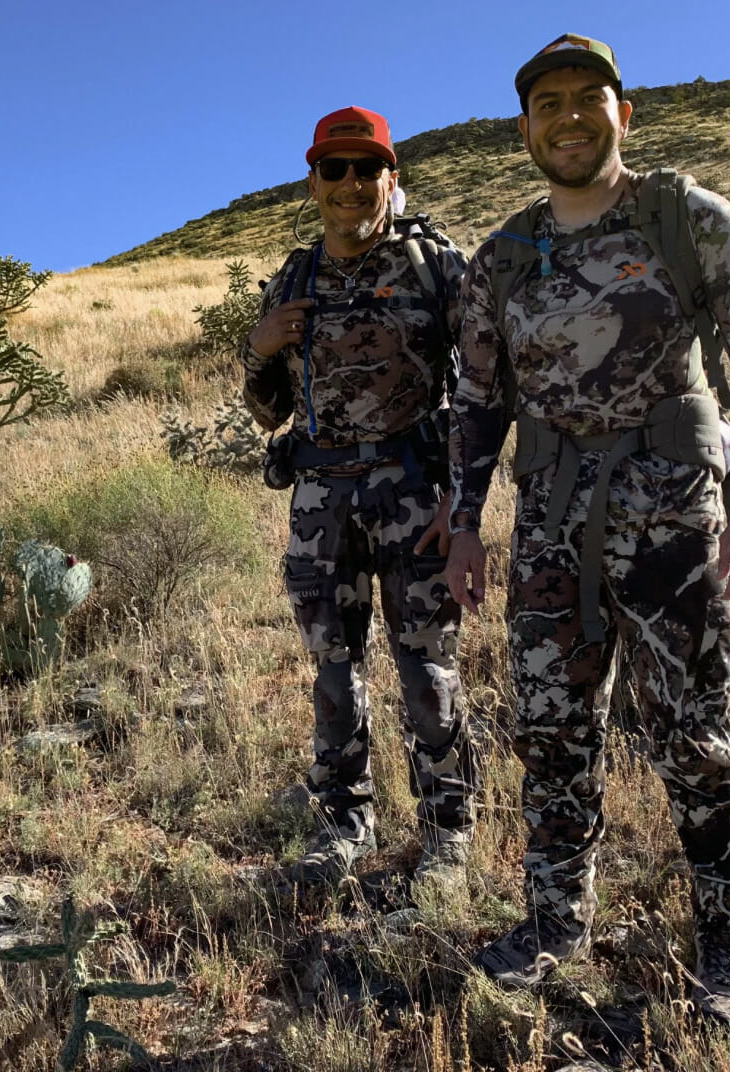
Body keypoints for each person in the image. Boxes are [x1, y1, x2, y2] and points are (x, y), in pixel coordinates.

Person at [445, 35, 730, 1033]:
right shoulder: (503, 259)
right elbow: (474, 405)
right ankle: (554, 922)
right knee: (552, 734)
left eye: (586, 99)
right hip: (548, 521)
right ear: (523, 129)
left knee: (690, 733)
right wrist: (465, 526)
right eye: (545, 103)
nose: (566, 117)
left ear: (620, 113)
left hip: (674, 514)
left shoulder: (686, 217)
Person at [240, 106, 481, 893]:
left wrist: (465, 499)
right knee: (332, 671)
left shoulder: (433, 262)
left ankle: (447, 832)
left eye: (366, 168)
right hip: (319, 504)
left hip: (415, 495)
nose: (350, 184)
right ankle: (343, 820)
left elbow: (484, 384)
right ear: (313, 180)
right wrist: (259, 349)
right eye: (334, 169)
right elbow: (268, 408)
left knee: (427, 669)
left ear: (391, 177)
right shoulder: (296, 275)